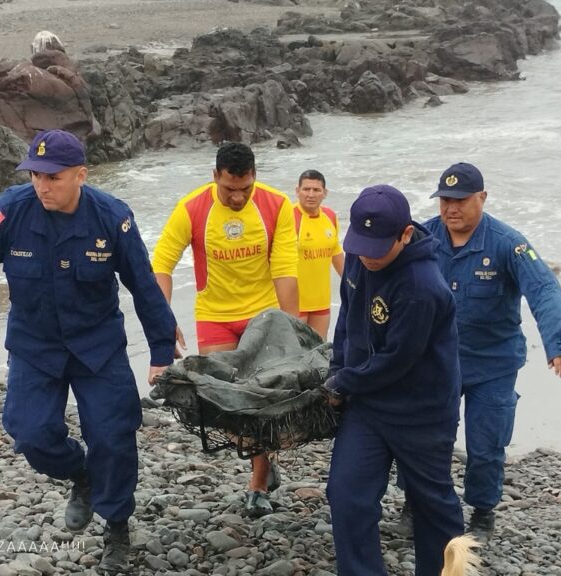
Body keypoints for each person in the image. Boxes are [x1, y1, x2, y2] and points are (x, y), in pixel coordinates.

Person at [0, 129, 176, 574]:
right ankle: (81, 474)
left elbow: (143, 284)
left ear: (80, 175)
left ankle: (116, 524)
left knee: (113, 437)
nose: (42, 185)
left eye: (52, 176)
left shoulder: (111, 216)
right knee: (29, 432)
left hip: (98, 347)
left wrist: (161, 349)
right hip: (36, 345)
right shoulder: (10, 210)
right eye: (35, 174)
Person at [422, 162, 561, 541]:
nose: (451, 208)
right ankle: (419, 505)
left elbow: (545, 290)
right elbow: (381, 270)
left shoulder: (508, 243)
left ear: (482, 198)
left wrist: (559, 345)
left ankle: (482, 512)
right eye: (445, 200)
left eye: (460, 200)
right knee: (427, 438)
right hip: (436, 361)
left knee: (486, 444)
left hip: (493, 363)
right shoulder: (423, 236)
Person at [151, 142, 299, 517]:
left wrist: (293, 327)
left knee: (261, 401)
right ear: (215, 175)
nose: (237, 197)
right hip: (214, 314)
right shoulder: (192, 207)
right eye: (229, 188)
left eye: (245, 189)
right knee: (226, 404)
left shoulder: (277, 205)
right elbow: (162, 263)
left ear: (255, 177)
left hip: (262, 316)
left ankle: (258, 486)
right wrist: (162, 321)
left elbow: (284, 268)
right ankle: (262, 455)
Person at [323, 184, 464, 576]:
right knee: (347, 495)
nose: (367, 256)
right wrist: (338, 368)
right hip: (368, 405)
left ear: (405, 234)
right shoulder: (358, 255)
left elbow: (397, 360)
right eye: (360, 244)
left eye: (378, 247)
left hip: (422, 410)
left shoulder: (422, 287)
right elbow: (347, 320)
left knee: (431, 503)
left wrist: (344, 382)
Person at [293, 169, 344, 339]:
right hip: (295, 303)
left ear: (325, 193)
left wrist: (352, 284)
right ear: (297, 191)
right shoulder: (288, 217)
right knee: (295, 357)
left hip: (321, 302)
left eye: (316, 190)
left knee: (319, 353)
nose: (311, 194)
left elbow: (336, 253)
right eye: (306, 189)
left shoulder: (329, 216)